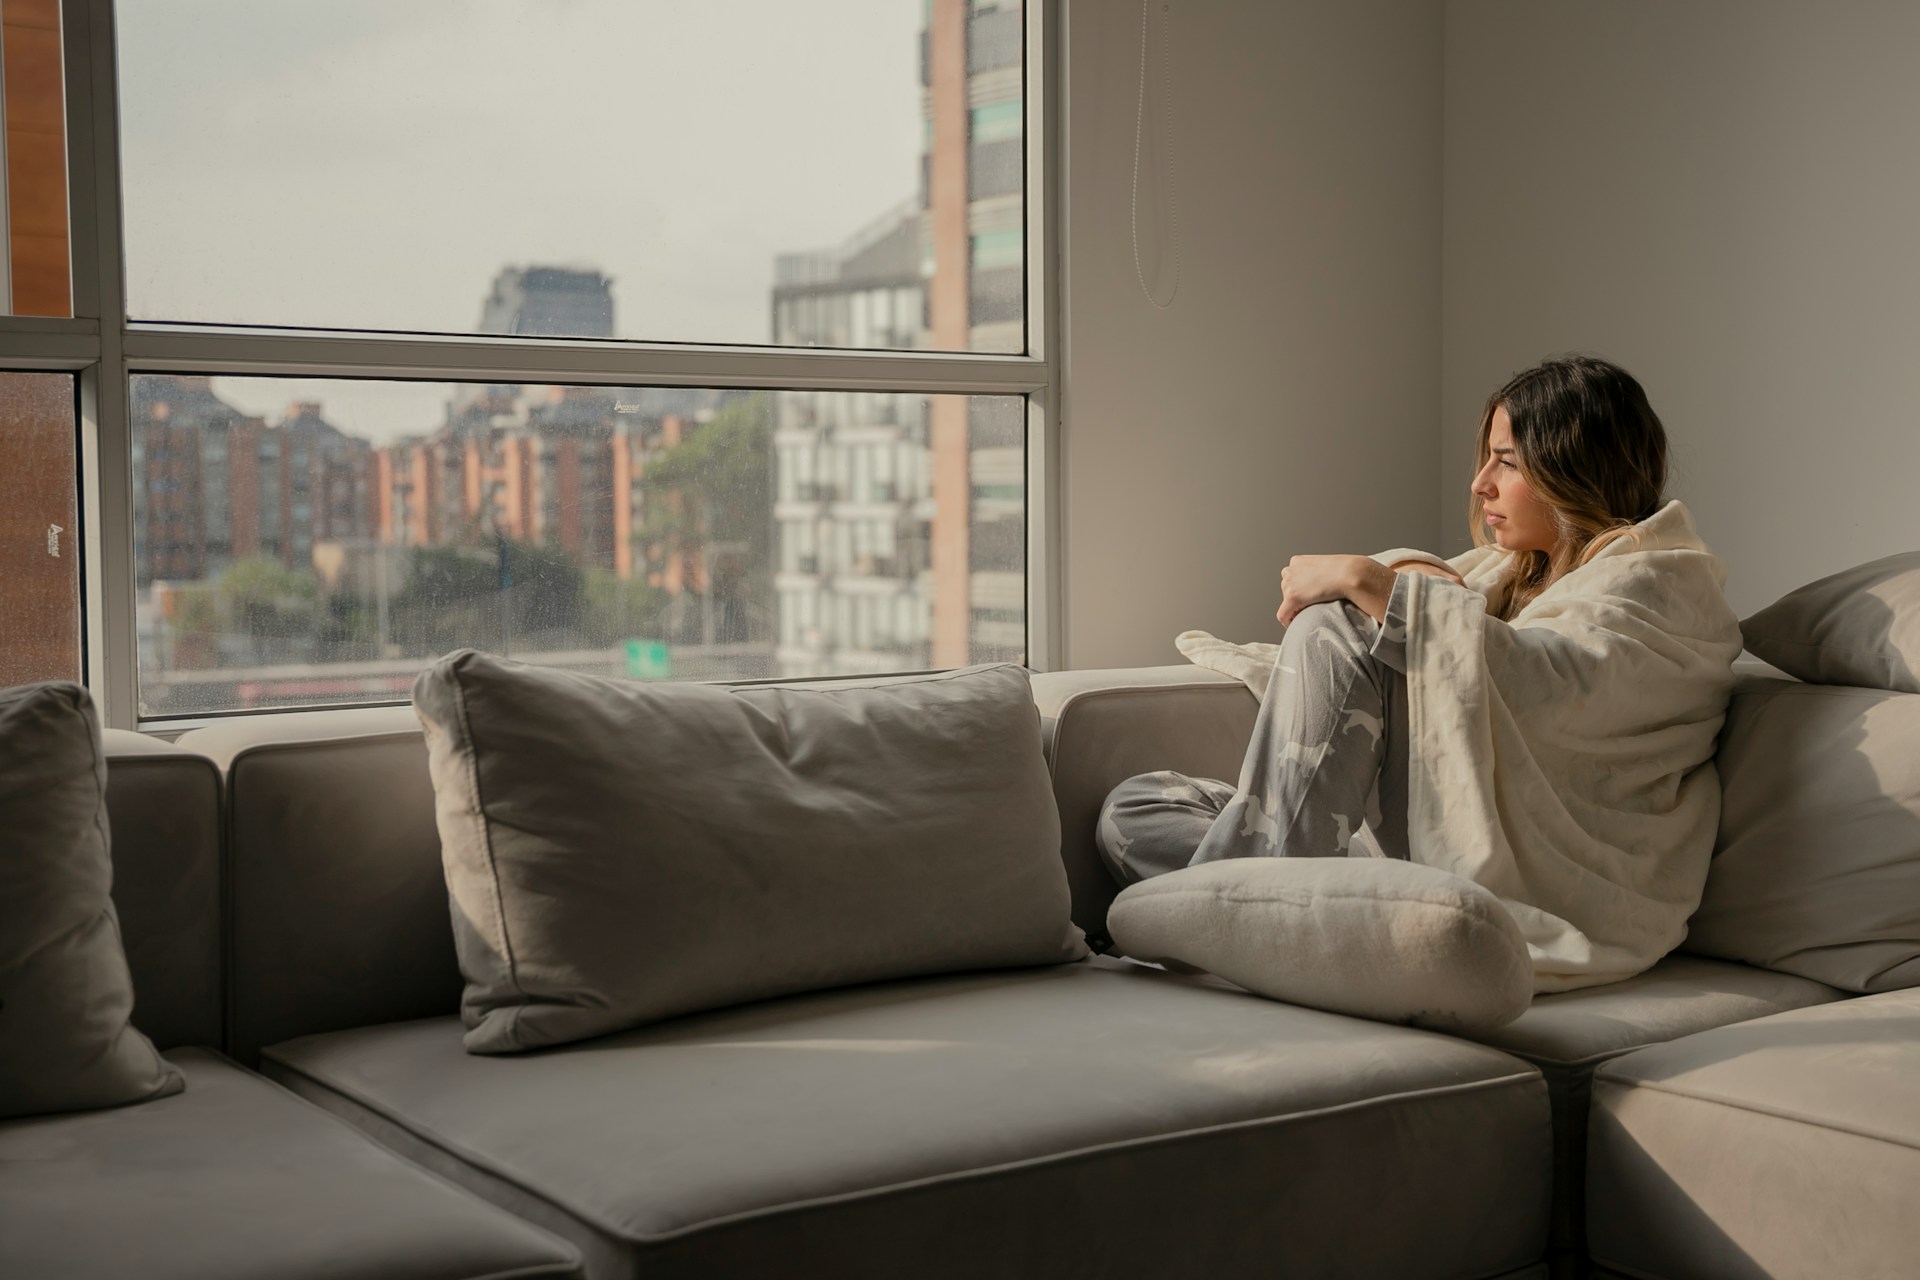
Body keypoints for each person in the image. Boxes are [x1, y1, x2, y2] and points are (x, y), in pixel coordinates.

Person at [1097, 354, 1745, 992]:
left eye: (1508, 461)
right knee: (1134, 808)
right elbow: (1449, 623)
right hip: (1398, 851)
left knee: (1337, 625)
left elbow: (1545, 680)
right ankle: (1260, 910)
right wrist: (1411, 579)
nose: (1480, 482)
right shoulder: (1507, 576)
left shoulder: (1659, 587)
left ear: (1575, 468)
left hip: (1532, 882)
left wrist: (1364, 578)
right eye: (1487, 457)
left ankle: (1240, 909)